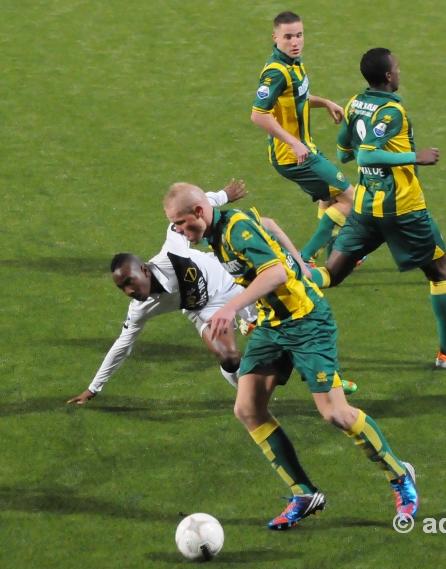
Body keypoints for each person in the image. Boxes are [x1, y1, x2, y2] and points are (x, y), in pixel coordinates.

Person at [164, 183, 419, 530]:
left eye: (180, 223)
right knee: (247, 408)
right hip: (273, 324)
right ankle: (304, 493)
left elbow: (275, 273)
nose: (177, 231)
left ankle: (400, 475)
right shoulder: (219, 228)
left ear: (198, 212)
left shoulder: (235, 229)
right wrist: (296, 255)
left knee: (336, 414)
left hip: (307, 321)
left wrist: (233, 307)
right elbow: (266, 223)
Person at [325, 48, 446, 369]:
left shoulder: (355, 103)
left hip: (365, 206)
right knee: (440, 271)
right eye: (397, 68)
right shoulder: (391, 112)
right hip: (402, 209)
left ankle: (267, 299)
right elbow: (366, 155)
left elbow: (344, 152)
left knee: (329, 274)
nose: (400, 72)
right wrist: (416, 157)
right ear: (387, 76)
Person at [68, 182, 258, 404]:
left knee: (288, 324)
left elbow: (192, 205)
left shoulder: (172, 252)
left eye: (130, 282)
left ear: (145, 270)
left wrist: (224, 195)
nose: (129, 291)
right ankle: (252, 401)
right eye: (122, 288)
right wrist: (92, 389)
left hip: (230, 280)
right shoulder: (140, 308)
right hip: (204, 307)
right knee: (230, 357)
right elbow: (122, 346)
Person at [250, 11, 358, 266]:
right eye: (288, 37)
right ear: (275, 37)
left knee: (330, 198)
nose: (295, 41)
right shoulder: (276, 72)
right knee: (353, 200)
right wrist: (293, 142)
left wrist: (325, 103)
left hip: (305, 149)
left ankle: (336, 258)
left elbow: (297, 97)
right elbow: (258, 115)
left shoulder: (294, 64)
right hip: (294, 156)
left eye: (299, 35)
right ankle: (303, 260)